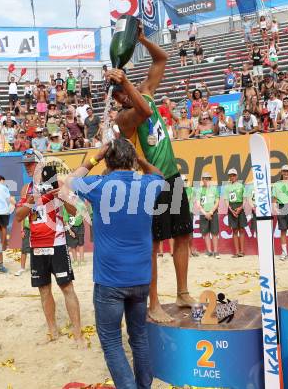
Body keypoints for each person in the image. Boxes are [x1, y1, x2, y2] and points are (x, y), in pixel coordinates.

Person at [110, 23, 194, 323]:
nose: (122, 97)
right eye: (118, 94)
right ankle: (154, 303)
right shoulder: (124, 119)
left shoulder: (145, 92)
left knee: (183, 235)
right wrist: (125, 84)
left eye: (123, 91)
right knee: (154, 245)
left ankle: (183, 292)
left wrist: (143, 39)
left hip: (171, 176)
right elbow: (143, 111)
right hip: (150, 184)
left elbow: (162, 60)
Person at [64, 139, 164, 389]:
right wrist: (140, 159)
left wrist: (94, 158)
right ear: (131, 160)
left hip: (110, 279)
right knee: (139, 337)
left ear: (108, 160)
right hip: (141, 277)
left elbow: (69, 181)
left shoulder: (99, 184)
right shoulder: (148, 184)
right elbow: (160, 174)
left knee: (110, 341)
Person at [15, 149, 83, 343]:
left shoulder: (57, 184)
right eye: (25, 164)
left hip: (57, 243)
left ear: (41, 164)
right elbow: (19, 217)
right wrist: (28, 203)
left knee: (67, 288)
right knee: (44, 290)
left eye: (31, 163)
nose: (28, 167)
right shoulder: (26, 189)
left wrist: (60, 196)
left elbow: (73, 210)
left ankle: (78, 334)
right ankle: (53, 331)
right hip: (36, 245)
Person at [272, 165, 288, 261]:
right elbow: (274, 198)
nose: (286, 173)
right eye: (284, 171)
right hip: (281, 207)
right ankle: (284, 252)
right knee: (283, 230)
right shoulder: (277, 184)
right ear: (281, 172)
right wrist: (275, 207)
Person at [224, 169, 247, 258]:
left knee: (241, 229)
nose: (232, 177)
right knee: (234, 230)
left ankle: (242, 251)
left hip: (240, 206)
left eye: (233, 175)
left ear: (236, 176)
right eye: (230, 175)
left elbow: (244, 198)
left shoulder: (241, 186)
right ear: (229, 177)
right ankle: (237, 252)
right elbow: (226, 200)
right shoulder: (227, 187)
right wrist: (231, 209)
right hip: (231, 207)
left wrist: (240, 208)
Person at [196, 172, 220, 258]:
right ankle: (209, 251)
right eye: (205, 178)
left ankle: (216, 252)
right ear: (202, 179)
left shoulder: (214, 189)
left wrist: (211, 212)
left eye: (208, 178)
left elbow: (217, 202)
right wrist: (205, 213)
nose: (207, 180)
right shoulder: (199, 190)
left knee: (214, 233)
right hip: (203, 214)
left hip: (213, 213)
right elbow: (198, 204)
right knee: (205, 233)